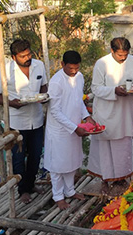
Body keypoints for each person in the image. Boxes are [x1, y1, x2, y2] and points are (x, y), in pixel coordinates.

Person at [88, 37, 133, 194]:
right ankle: (104, 179)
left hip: (124, 110)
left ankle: (121, 179)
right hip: (105, 110)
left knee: (122, 145)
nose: (123, 58)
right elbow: (96, 88)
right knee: (105, 146)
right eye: (120, 55)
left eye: (125, 55)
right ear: (112, 51)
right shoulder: (102, 64)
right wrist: (114, 90)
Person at [0, 39, 48, 204]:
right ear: (14, 57)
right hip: (16, 122)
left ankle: (30, 185)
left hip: (36, 119)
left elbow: (44, 86)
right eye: (23, 56)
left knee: (36, 156)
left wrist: (43, 97)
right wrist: (11, 102)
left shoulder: (39, 65)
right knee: (18, 158)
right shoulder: (4, 71)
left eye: (29, 54)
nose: (27, 58)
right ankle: (22, 190)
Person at [44, 51, 96, 210]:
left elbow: (78, 101)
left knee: (72, 162)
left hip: (75, 128)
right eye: (70, 68)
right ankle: (58, 196)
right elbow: (55, 111)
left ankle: (70, 191)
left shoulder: (79, 77)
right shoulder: (56, 82)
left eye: (76, 68)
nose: (74, 71)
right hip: (59, 130)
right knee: (57, 165)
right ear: (62, 64)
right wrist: (74, 128)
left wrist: (87, 117)